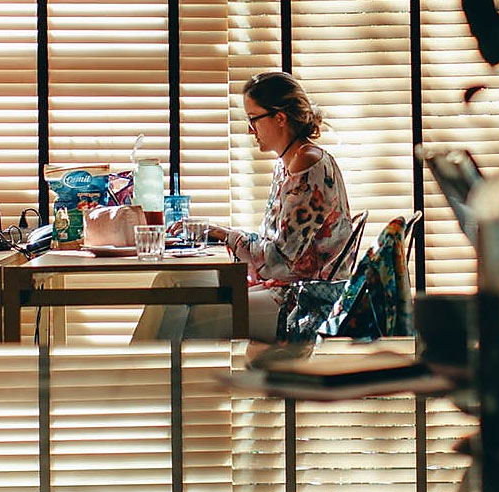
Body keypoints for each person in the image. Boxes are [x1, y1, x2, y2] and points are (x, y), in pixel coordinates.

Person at [134, 71, 353, 342]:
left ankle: (135, 377)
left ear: (280, 118)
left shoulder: (307, 165)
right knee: (171, 283)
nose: (250, 130)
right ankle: (133, 375)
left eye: (253, 120)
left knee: (190, 317)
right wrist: (220, 231)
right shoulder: (287, 163)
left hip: (303, 302)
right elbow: (275, 247)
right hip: (283, 287)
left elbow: (277, 263)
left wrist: (227, 236)